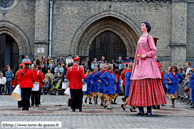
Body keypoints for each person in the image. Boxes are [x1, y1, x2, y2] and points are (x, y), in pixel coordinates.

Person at [127, 21, 167, 116]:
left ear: (147, 28)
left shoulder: (149, 37)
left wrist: (145, 55)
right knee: (139, 87)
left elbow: (153, 50)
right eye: (141, 25)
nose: (141, 26)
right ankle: (140, 110)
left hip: (148, 63)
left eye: (143, 25)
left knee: (148, 87)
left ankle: (149, 110)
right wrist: (136, 63)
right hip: (140, 64)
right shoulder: (140, 38)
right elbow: (137, 52)